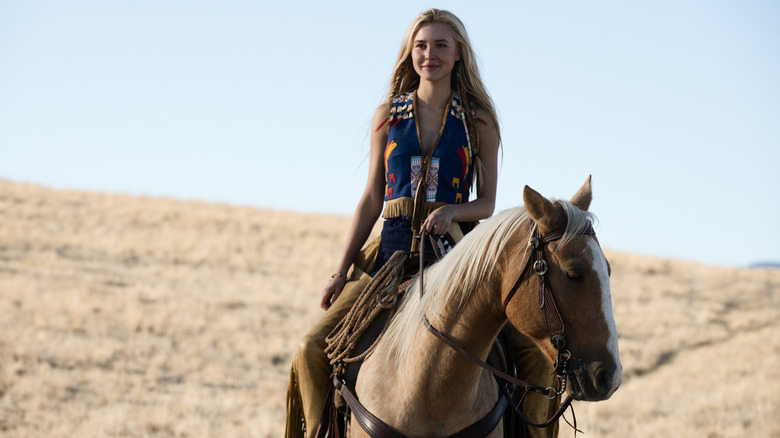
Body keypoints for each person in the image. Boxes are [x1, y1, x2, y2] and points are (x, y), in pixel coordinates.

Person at [285, 8, 560, 438]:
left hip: (458, 256)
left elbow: (486, 203)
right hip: (389, 256)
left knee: (536, 359)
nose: (429, 54)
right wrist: (340, 272)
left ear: (457, 55)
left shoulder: (480, 122)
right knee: (310, 349)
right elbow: (372, 198)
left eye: (439, 45)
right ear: (410, 53)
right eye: (421, 46)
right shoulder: (386, 117)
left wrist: (452, 211)